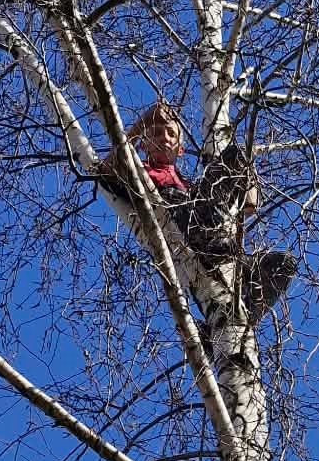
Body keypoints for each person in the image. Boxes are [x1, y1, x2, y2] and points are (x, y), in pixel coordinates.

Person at [97, 102, 295, 325]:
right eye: (155, 133)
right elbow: (104, 172)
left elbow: (236, 200)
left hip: (220, 248)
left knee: (283, 264)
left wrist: (247, 196)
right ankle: (218, 250)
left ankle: (233, 325)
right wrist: (144, 120)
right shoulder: (139, 171)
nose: (164, 138)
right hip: (184, 232)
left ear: (180, 148)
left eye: (171, 133)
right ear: (143, 144)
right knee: (233, 157)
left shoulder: (189, 186)